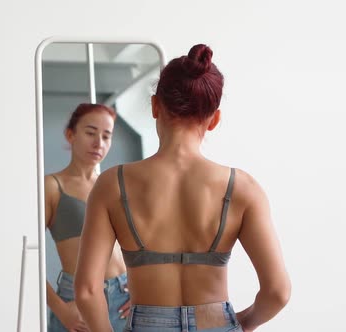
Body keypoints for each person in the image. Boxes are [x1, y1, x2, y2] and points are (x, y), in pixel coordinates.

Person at [74, 45, 291, 332]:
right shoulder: (243, 189)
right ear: (214, 120)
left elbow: (87, 290)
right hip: (216, 323)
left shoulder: (112, 184)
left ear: (154, 106)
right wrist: (241, 324)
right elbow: (278, 292)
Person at [45, 103, 131, 332]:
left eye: (106, 136)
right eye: (91, 133)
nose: (98, 143)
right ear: (70, 134)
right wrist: (61, 310)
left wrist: (142, 290)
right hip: (76, 303)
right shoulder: (52, 186)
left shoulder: (113, 185)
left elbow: (139, 244)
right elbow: (30, 257)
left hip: (124, 298)